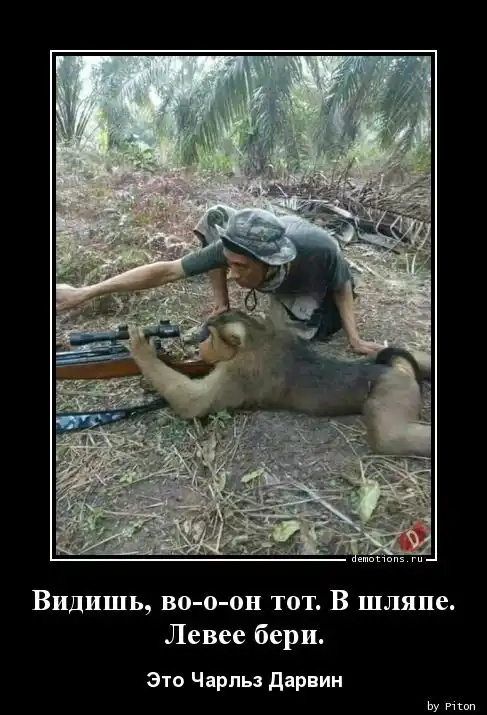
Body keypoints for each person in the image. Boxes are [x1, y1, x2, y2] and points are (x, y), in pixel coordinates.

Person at [56, 205, 382, 354]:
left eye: (240, 267)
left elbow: (342, 286)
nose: (231, 273)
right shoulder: (233, 248)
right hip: (270, 259)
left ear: (270, 262)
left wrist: (354, 339)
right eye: (228, 263)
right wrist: (86, 292)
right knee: (216, 212)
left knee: (288, 340)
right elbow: (166, 270)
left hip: (313, 286)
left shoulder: (318, 250)